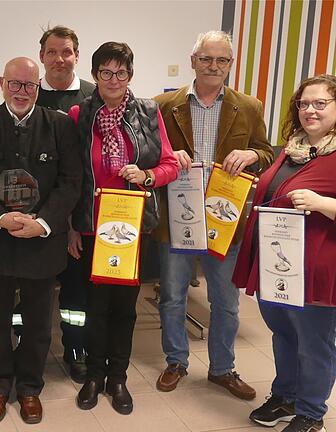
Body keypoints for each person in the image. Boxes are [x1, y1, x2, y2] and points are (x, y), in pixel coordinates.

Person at [0, 57, 81, 425]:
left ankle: (29, 388)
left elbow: (70, 181)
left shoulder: (59, 126)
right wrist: (0, 217)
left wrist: (42, 222)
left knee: (38, 323)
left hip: (42, 242)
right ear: (2, 83)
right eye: (15, 84)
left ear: (38, 86)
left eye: (29, 85)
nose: (22, 92)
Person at [152, 31, 273, 399]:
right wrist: (169, 159)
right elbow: (148, 154)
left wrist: (252, 156)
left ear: (230, 65)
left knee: (226, 301)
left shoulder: (249, 107)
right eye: (206, 59)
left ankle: (222, 369)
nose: (213, 66)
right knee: (172, 296)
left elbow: (267, 153)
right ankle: (176, 361)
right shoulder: (163, 104)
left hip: (225, 219)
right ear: (193, 61)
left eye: (222, 60)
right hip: (178, 218)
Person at [73, 41, 179, 415]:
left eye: (120, 72)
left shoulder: (149, 111)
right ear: (95, 76)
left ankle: (118, 376)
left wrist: (147, 175)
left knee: (125, 307)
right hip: (91, 225)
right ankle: (93, 375)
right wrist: (72, 227)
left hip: (133, 228)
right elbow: (72, 176)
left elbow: (170, 164)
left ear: (130, 75)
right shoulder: (79, 114)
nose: (113, 79)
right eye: (105, 72)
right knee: (94, 305)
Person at [233, 74, 336, 432]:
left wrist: (324, 204)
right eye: (304, 103)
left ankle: (311, 413)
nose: (310, 110)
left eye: (320, 103)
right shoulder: (291, 148)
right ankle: (286, 394)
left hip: (316, 269)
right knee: (283, 333)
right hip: (276, 265)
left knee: (314, 343)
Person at [35, 24, 96, 384]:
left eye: (67, 52)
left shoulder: (92, 97)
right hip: (34, 218)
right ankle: (27, 346)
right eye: (52, 52)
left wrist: (73, 222)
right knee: (28, 290)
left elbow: (87, 168)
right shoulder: (27, 94)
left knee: (76, 291)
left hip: (78, 215)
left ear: (76, 55)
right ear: (42, 56)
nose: (60, 59)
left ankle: (76, 348)